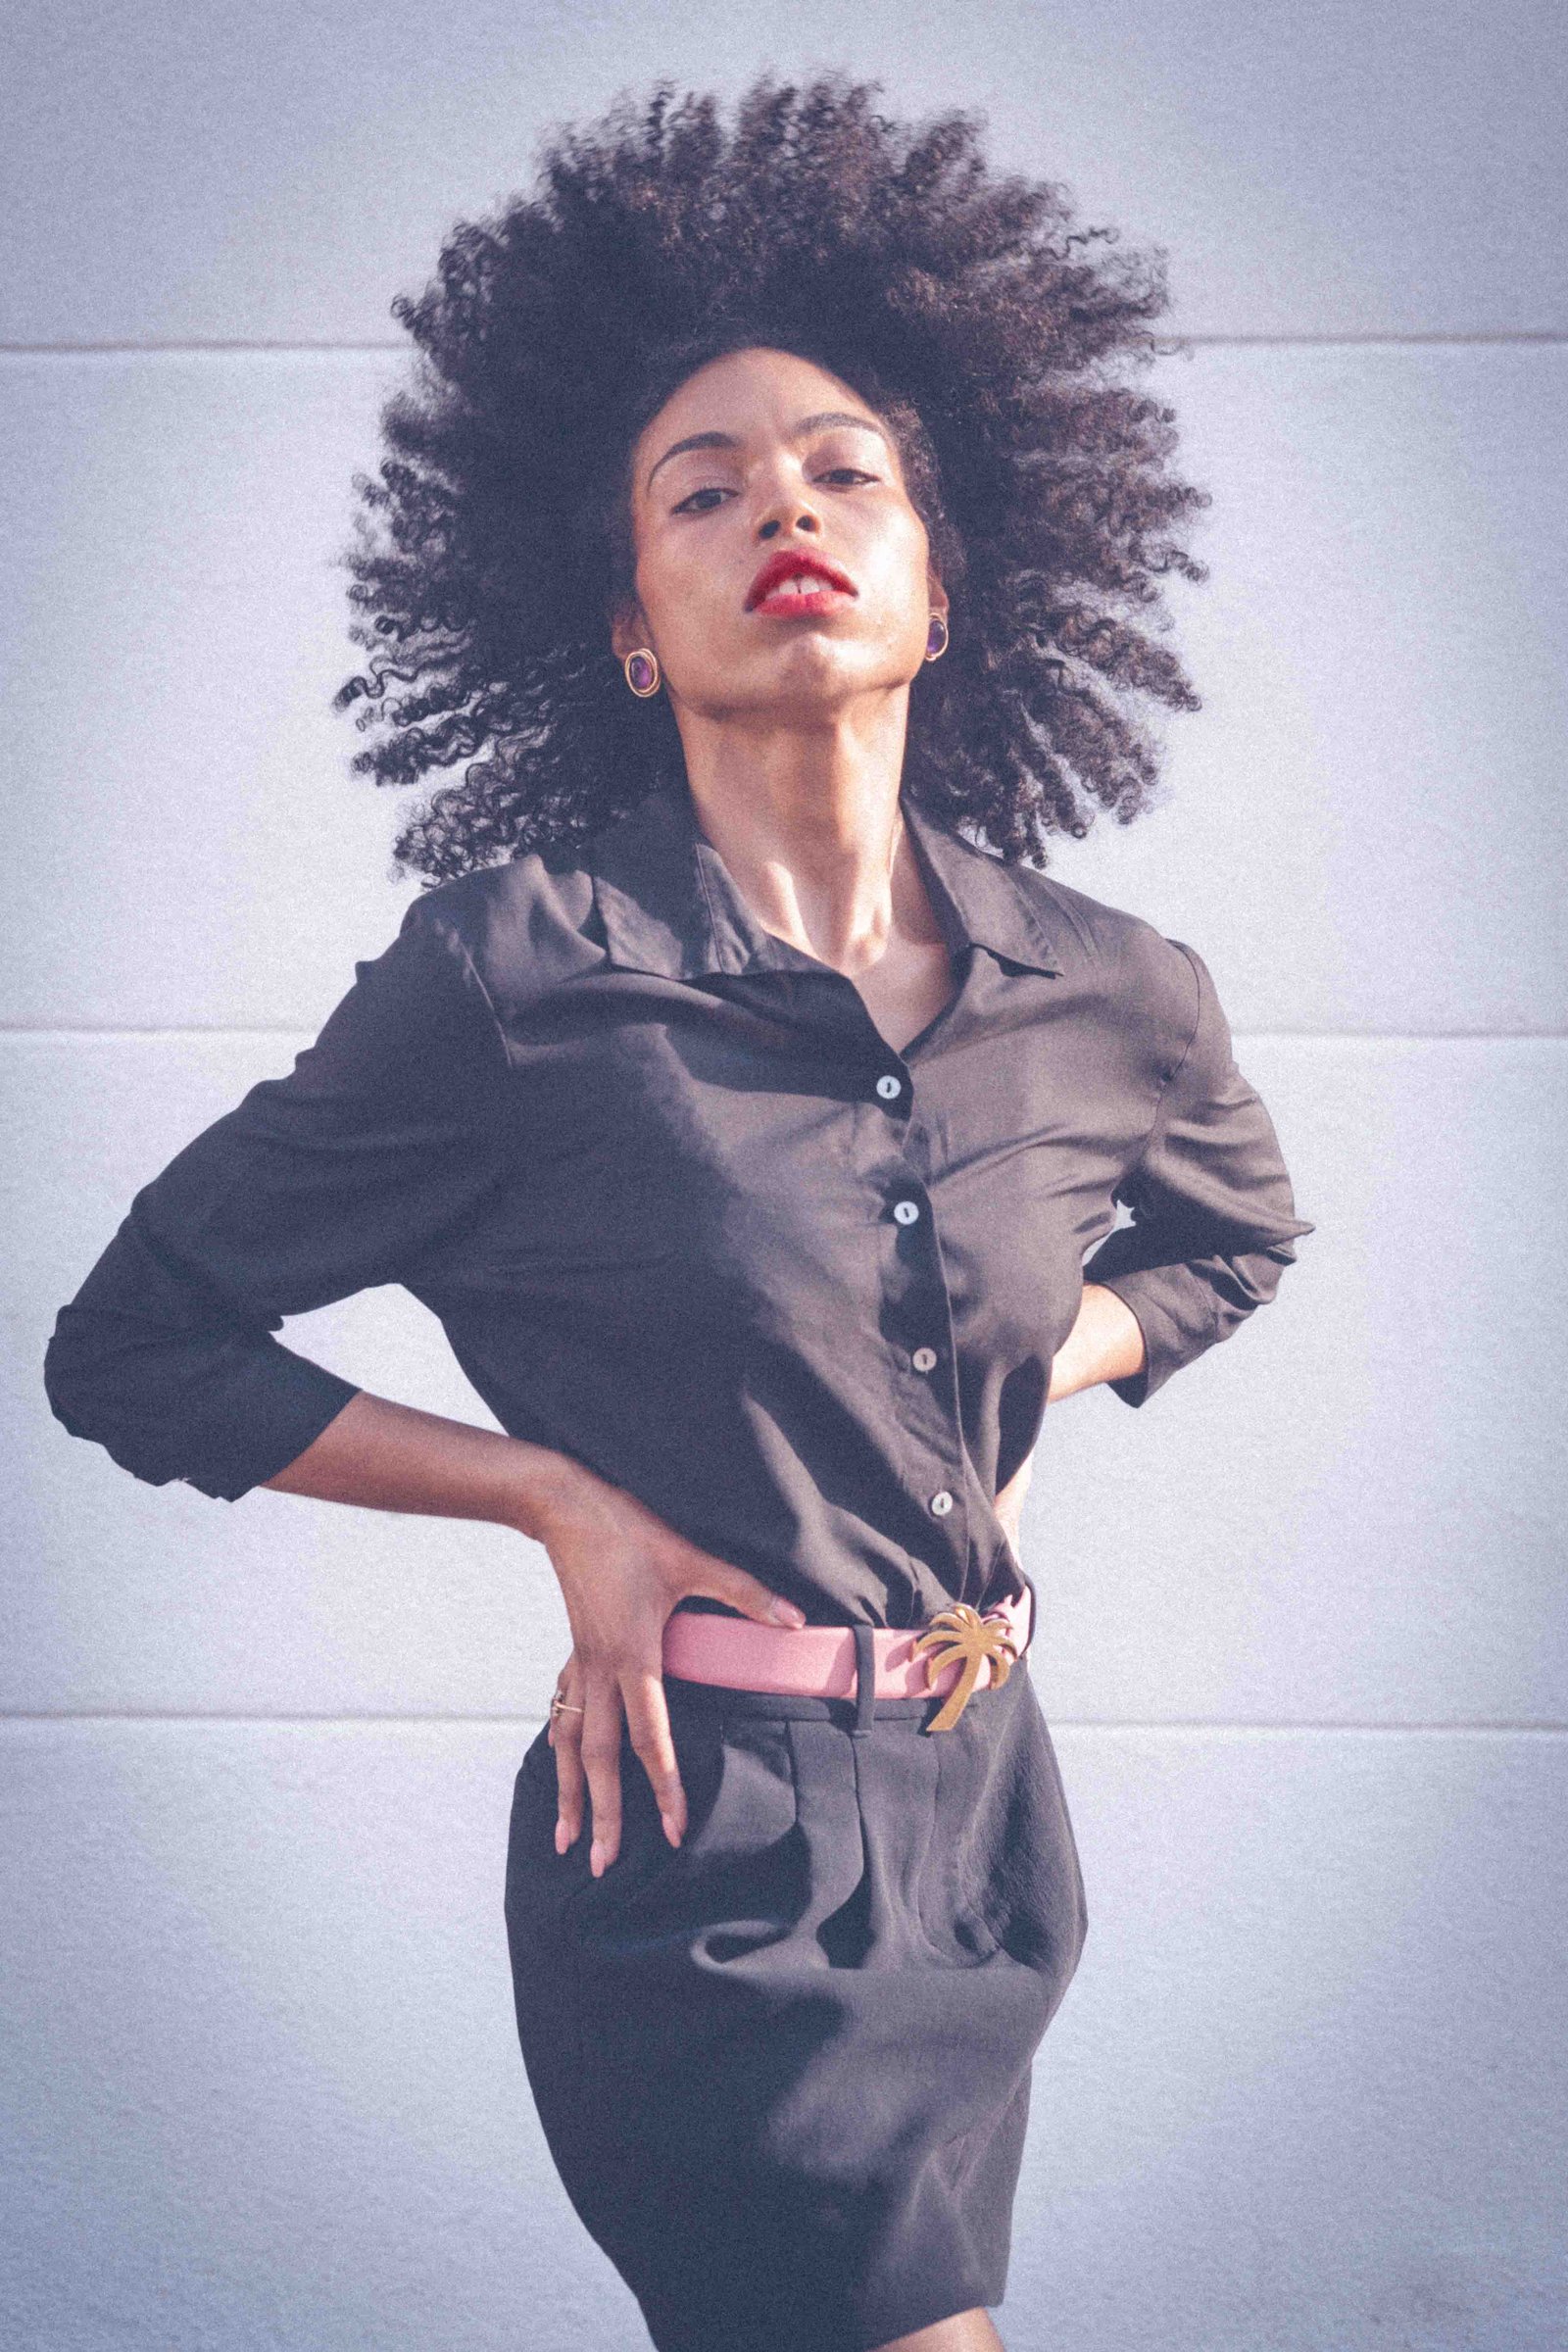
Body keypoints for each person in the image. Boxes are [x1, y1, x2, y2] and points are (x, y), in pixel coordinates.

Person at [42, 72, 1314, 2352]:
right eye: (698, 490)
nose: (780, 514)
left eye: (846, 475)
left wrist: (1030, 1373)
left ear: (944, 588)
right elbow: (130, 1343)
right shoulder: (513, 973)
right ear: (627, 617)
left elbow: (1229, 1242)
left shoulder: (1109, 992)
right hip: (699, 1854)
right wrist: (552, 1501)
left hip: (990, 1820)